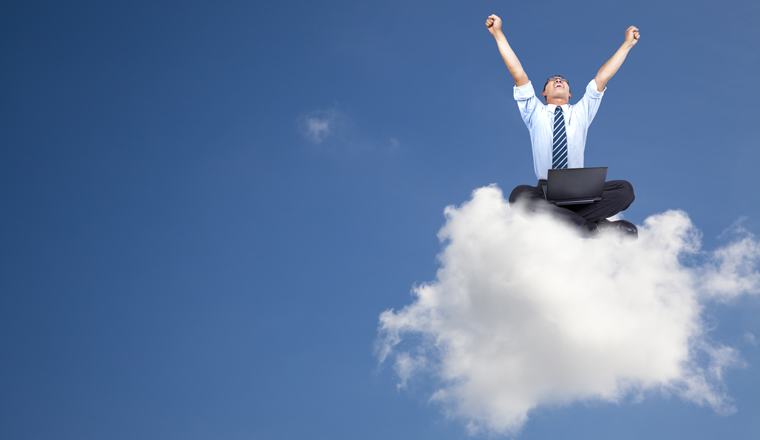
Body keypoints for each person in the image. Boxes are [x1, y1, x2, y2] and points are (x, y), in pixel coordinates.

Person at [485, 14, 639, 239]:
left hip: (581, 191)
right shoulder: (534, 112)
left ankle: (572, 222)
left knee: (625, 191)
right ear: (543, 93)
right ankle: (595, 228)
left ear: (570, 93)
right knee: (519, 196)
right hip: (546, 191)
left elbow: (602, 77)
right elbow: (517, 72)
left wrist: (627, 45)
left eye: (563, 81)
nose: (558, 80)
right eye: (552, 80)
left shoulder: (581, 112)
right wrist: (498, 34)